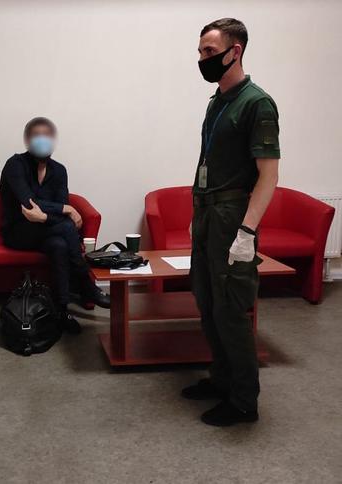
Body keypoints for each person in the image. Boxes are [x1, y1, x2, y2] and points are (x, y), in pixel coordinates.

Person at [183, 18, 280, 426]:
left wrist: (247, 232)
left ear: (234, 51)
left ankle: (243, 401)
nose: (202, 58)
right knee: (207, 302)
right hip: (208, 213)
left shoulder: (257, 104)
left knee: (231, 310)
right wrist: (197, 212)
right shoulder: (217, 102)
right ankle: (221, 379)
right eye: (200, 51)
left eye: (209, 51)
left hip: (232, 218)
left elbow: (268, 176)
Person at [0, 117, 110, 334]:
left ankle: (62, 312)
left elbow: (52, 207)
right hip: (18, 232)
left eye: (47, 135)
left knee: (59, 245)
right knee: (67, 228)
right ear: (27, 140)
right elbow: (29, 203)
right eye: (36, 135)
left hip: (46, 231)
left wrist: (44, 217)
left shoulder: (59, 170)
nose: (42, 139)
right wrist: (65, 209)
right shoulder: (15, 165)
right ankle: (87, 285)